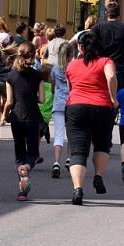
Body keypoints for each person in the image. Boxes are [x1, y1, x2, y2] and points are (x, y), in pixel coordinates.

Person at [65, 31, 118, 205]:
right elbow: (110, 76)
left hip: (76, 107)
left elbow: (70, 87)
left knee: (78, 151)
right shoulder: (105, 61)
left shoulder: (72, 65)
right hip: (102, 107)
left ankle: (78, 189)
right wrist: (113, 97)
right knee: (102, 144)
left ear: (80, 47)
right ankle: (98, 176)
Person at [3, 42, 45, 201]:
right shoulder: (37, 75)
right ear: (34, 55)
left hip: (17, 117)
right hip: (32, 117)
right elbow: (42, 99)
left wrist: (5, 115)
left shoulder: (11, 75)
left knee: (19, 153)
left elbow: (8, 101)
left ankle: (22, 190)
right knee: (33, 153)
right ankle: (27, 168)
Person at [92, 1, 124, 89]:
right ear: (119, 14)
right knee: (118, 96)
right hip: (120, 68)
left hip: (101, 67)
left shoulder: (97, 28)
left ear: (106, 13)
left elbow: (89, 44)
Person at [51, 42, 74, 177]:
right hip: (71, 102)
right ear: (71, 54)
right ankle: (69, 159)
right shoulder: (73, 68)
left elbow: (54, 86)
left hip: (58, 103)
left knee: (59, 135)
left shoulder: (55, 69)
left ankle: (56, 162)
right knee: (71, 133)